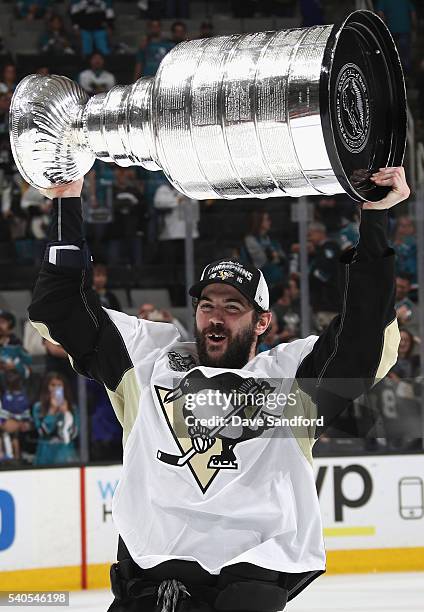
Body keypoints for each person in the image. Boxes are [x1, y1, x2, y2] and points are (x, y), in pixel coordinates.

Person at [26, 165, 407, 611]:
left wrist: (376, 222)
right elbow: (60, 307)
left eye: (233, 307)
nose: (215, 317)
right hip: (150, 575)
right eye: (207, 306)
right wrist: (67, 201)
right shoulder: (149, 358)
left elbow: (366, 338)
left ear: (262, 322)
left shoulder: (291, 378)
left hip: (249, 577)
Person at [32, 371, 79, 465]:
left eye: (59, 385)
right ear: (47, 387)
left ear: (64, 387)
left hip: (66, 455)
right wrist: (52, 411)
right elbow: (43, 432)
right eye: (52, 385)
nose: (56, 388)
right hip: (45, 456)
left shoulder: (72, 408)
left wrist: (66, 413)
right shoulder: (38, 407)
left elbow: (73, 434)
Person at [241, 211, 288, 288]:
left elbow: (282, 258)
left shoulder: (270, 240)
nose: (270, 222)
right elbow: (262, 261)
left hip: (277, 281)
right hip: (262, 282)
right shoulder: (250, 241)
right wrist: (273, 256)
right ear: (259, 222)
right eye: (267, 219)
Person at [376, 0, 416, 73]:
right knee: (405, 52)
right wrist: (414, 25)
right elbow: (413, 13)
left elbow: (380, 13)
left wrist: (383, 27)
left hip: (391, 29)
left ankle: (394, 72)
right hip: (405, 28)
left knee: (391, 52)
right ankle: (406, 72)